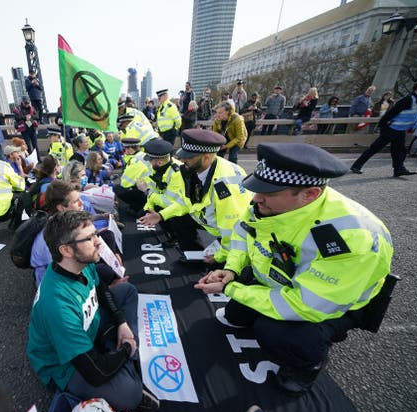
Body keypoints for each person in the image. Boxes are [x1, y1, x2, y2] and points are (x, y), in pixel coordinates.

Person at [195, 143, 393, 394]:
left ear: (310, 194)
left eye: (269, 192)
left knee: (276, 333)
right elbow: (242, 235)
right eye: (257, 188)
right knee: (237, 316)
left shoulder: (352, 238)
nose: (255, 198)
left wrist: (231, 288)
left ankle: (308, 364)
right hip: (276, 281)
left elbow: (303, 304)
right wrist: (232, 269)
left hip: (327, 303)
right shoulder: (265, 203)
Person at [27, 210, 159, 412]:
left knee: (127, 291)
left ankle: (114, 349)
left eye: (95, 233)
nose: (98, 241)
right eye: (90, 238)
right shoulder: (56, 305)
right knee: (130, 395)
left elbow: (101, 289)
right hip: (63, 366)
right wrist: (126, 349)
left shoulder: (78, 263)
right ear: (67, 250)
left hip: (87, 329)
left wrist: (122, 323)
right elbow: (95, 373)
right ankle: (122, 352)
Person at [173, 129, 252, 265]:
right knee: (179, 218)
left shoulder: (224, 187)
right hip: (214, 221)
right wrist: (162, 215)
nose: (183, 159)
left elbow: (232, 229)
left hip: (235, 234)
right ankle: (196, 257)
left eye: (189, 156)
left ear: (207, 157)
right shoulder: (199, 168)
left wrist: (220, 255)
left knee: (220, 269)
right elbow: (187, 201)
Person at [30, 181, 120, 286]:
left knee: (107, 235)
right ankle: (109, 283)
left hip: (70, 259)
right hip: (62, 279)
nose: (82, 203)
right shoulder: (53, 237)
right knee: (106, 270)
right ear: (61, 208)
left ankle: (114, 271)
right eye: (76, 201)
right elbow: (66, 270)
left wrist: (111, 257)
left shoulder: (64, 220)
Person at [351, 76, 417, 177]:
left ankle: (399, 169)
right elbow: (391, 113)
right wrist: (382, 126)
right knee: (375, 148)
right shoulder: (408, 99)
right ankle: (356, 166)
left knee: (399, 150)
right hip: (391, 129)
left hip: (401, 130)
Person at [137, 139, 203, 251]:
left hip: (188, 209)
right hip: (173, 204)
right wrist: (148, 209)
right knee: (145, 212)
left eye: (150, 160)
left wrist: (146, 191)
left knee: (179, 220)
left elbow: (169, 203)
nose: (149, 162)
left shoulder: (176, 173)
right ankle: (174, 234)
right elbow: (155, 189)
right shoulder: (157, 168)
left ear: (159, 162)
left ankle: (185, 244)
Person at [114, 138, 151, 213]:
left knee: (118, 189)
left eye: (125, 149)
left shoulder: (136, 161)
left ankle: (137, 208)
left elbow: (125, 184)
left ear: (130, 149)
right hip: (150, 190)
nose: (125, 152)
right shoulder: (143, 155)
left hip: (145, 193)